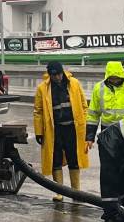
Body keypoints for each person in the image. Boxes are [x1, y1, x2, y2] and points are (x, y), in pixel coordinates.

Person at [33, 61, 89, 202]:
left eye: (58, 74)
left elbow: (84, 106)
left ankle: (76, 191)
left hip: (72, 128)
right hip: (54, 130)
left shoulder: (74, 83)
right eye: (53, 75)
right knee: (55, 159)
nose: (57, 77)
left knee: (73, 158)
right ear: (50, 75)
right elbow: (38, 111)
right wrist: (39, 132)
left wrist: (86, 126)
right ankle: (59, 192)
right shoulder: (43, 88)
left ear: (62, 72)